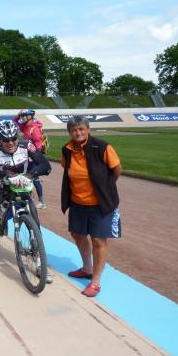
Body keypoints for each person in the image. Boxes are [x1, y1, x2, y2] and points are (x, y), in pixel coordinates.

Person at [0, 120, 51, 280]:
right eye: (5, 139)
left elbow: (45, 164)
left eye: (13, 138)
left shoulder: (26, 146)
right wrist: (5, 174)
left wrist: (31, 174)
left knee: (35, 224)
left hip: (21, 188)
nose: (10, 142)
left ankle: (39, 264)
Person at [61, 115, 122, 298]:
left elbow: (117, 170)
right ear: (70, 132)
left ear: (88, 129)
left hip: (100, 204)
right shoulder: (67, 149)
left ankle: (95, 281)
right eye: (73, 130)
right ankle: (87, 268)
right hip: (78, 203)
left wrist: (104, 187)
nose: (77, 132)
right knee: (78, 235)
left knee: (98, 240)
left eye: (81, 129)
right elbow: (67, 170)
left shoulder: (102, 147)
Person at [14, 109, 46, 209]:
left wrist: (34, 158)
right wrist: (17, 116)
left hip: (34, 157)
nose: (22, 118)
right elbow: (15, 124)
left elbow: (39, 146)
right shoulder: (26, 127)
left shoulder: (34, 128)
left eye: (24, 116)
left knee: (34, 178)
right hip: (27, 156)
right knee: (25, 176)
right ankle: (29, 196)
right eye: (22, 116)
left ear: (30, 116)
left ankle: (41, 202)